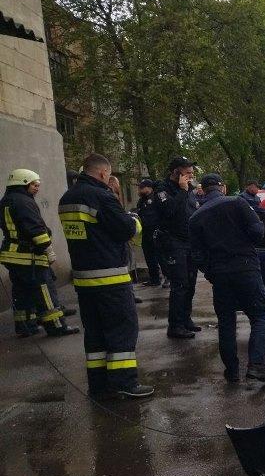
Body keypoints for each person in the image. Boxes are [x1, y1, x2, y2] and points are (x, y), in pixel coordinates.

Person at [58, 153, 153, 399]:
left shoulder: (67, 198)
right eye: (109, 175)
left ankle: (99, 386)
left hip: (83, 279)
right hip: (110, 277)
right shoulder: (102, 196)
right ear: (103, 173)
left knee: (96, 334)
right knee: (122, 331)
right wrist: (134, 219)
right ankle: (124, 383)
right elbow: (125, 230)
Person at [188, 173, 265, 384]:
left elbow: (196, 254)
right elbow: (257, 232)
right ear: (222, 187)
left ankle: (232, 371)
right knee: (260, 315)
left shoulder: (195, 217)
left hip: (220, 275)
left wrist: (210, 271)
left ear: (203, 190)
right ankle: (256, 366)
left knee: (226, 321)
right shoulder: (238, 203)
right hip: (246, 268)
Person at [1, 169, 79, 337]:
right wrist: (48, 249)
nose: (37, 188)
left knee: (21, 292)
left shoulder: (6, 200)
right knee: (45, 291)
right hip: (30, 256)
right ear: (23, 183)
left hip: (13, 256)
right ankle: (56, 326)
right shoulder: (24, 202)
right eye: (34, 185)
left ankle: (25, 326)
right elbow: (35, 228)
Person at [152, 156, 200, 339]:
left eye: (191, 173)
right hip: (173, 242)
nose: (191, 176)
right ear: (176, 172)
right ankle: (175, 325)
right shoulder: (162, 190)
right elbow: (169, 211)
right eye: (187, 173)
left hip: (189, 242)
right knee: (180, 284)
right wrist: (181, 191)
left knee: (191, 283)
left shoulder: (189, 190)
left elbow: (193, 210)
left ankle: (185, 319)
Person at [136, 179, 162, 286]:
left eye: (141, 188)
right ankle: (154, 278)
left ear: (149, 188)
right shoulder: (141, 201)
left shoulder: (156, 198)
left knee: (160, 256)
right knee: (149, 257)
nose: (139, 190)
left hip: (155, 232)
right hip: (145, 233)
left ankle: (167, 276)